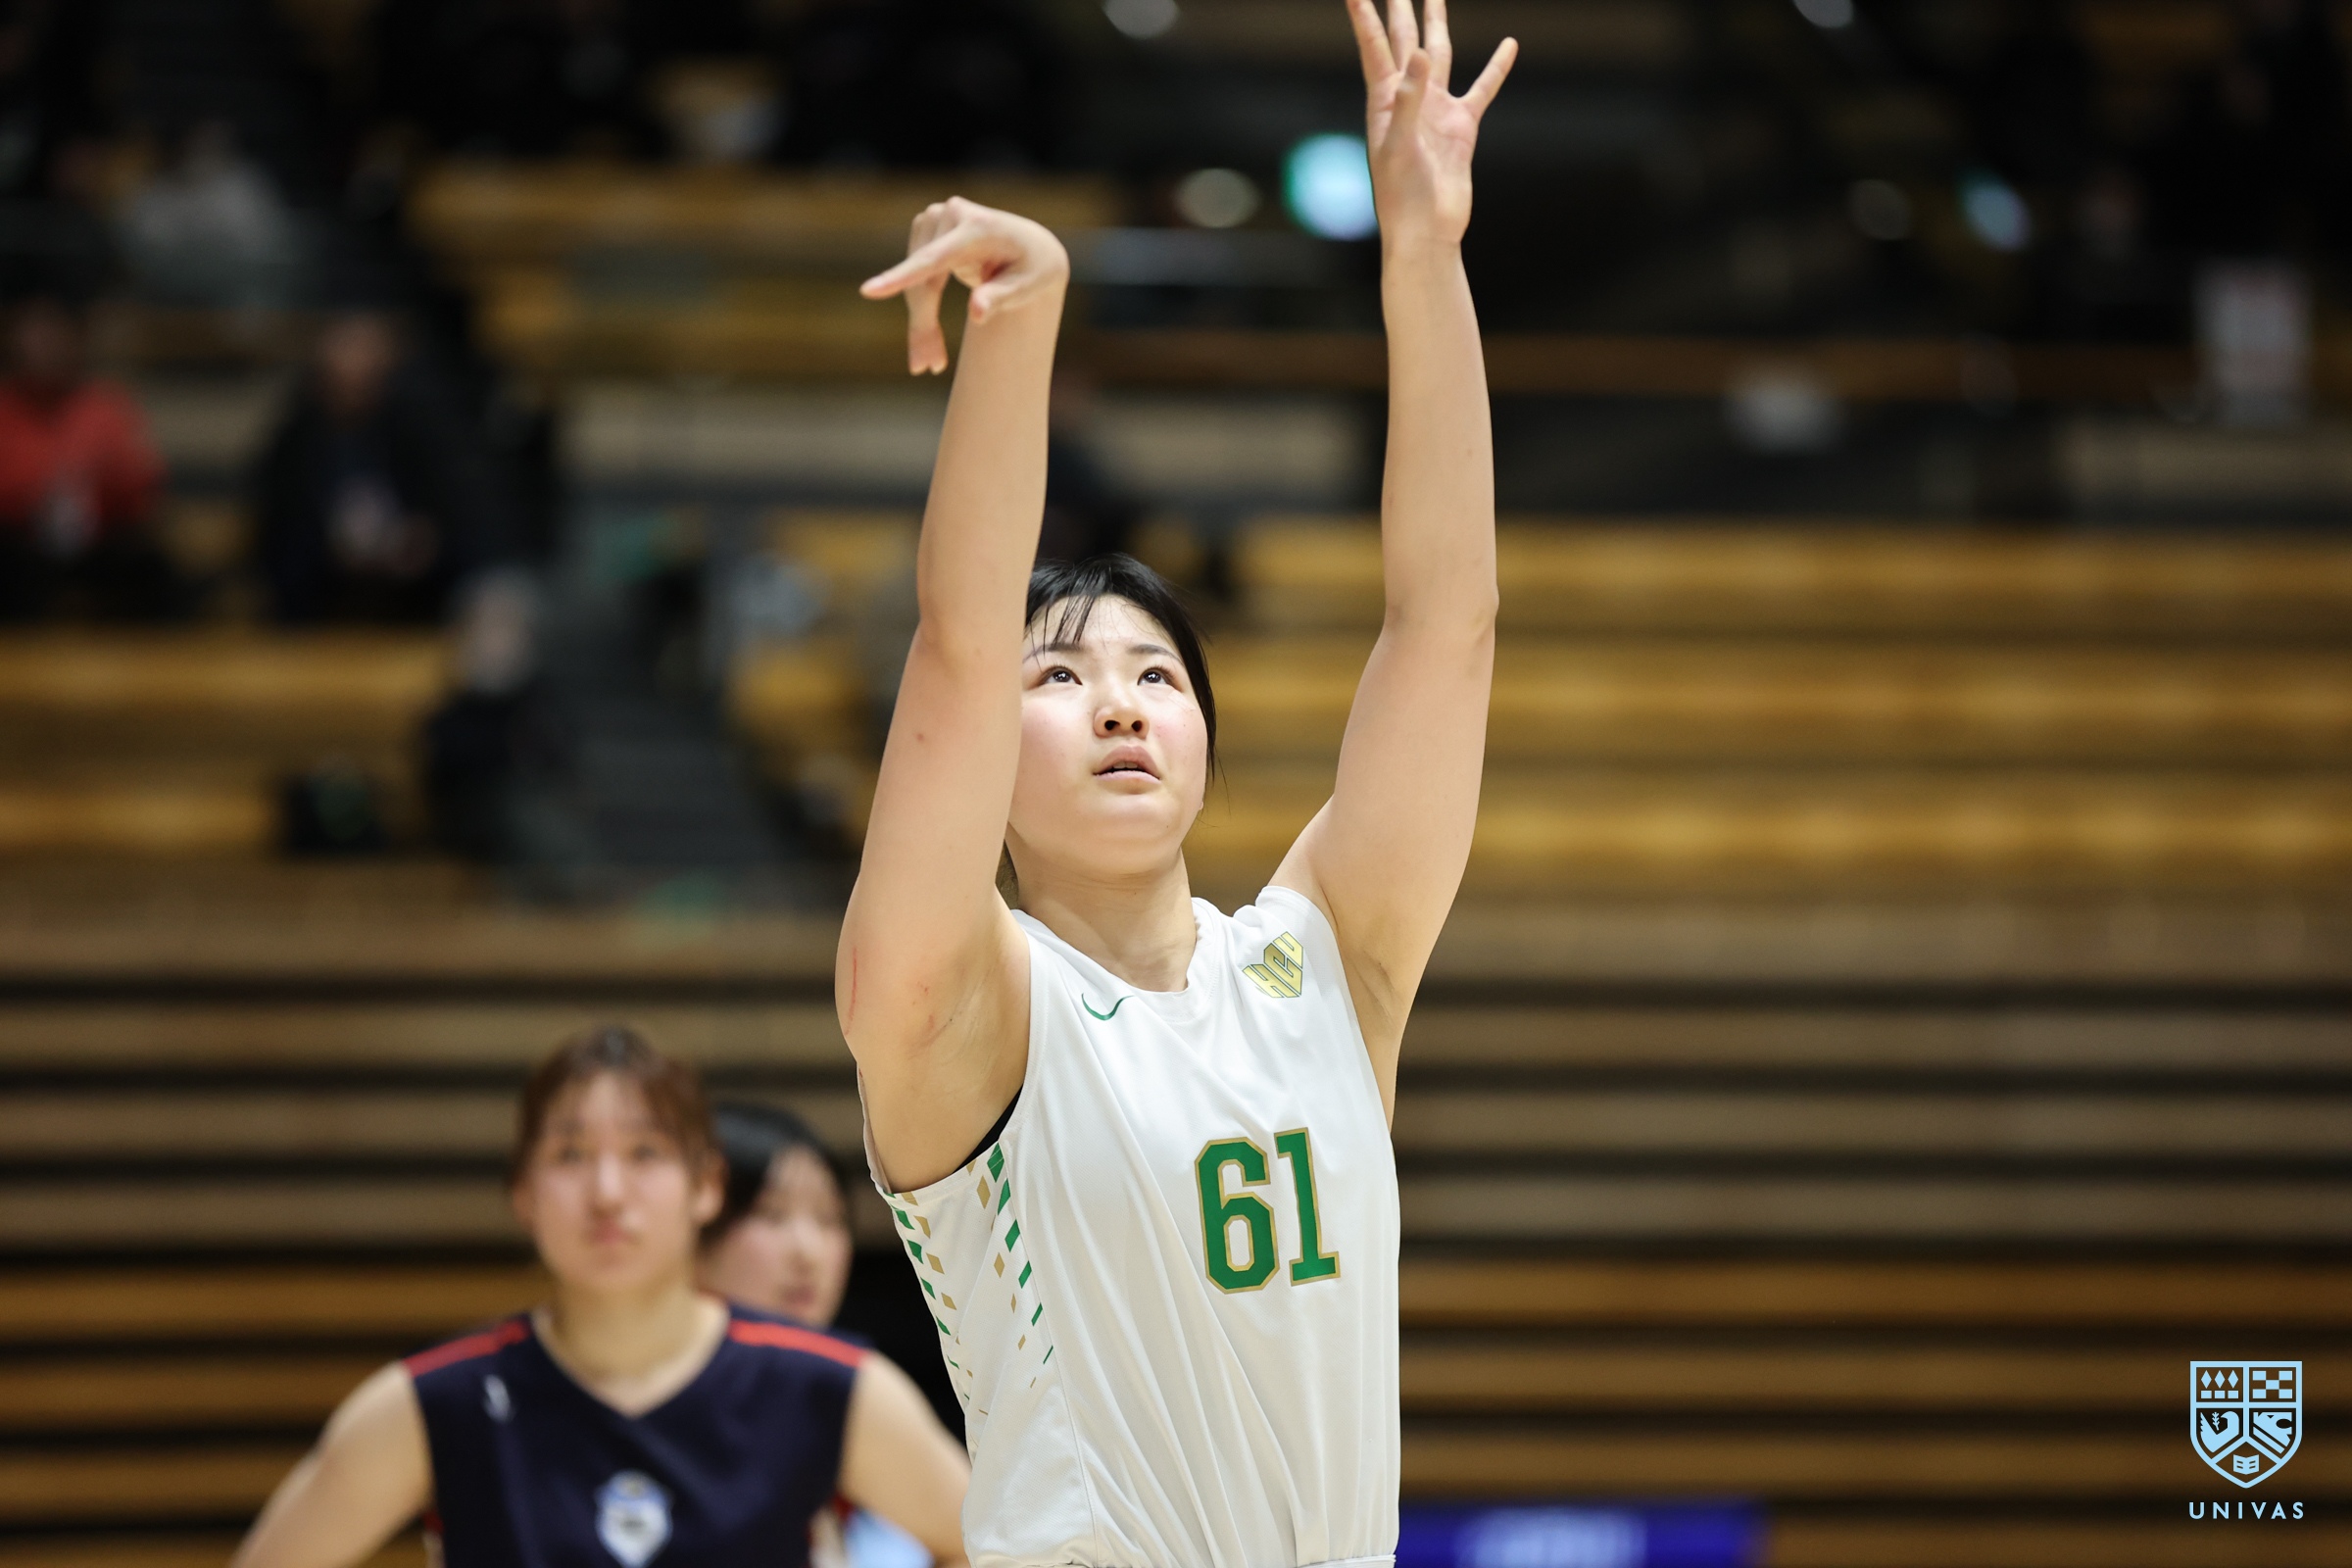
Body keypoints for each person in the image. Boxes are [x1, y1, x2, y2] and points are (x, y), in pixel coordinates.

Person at [840, 1, 1510, 1564]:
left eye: (1155, 675)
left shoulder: (1327, 959)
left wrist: (1423, 256)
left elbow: (1446, 626)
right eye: (1060, 678)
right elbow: (955, 648)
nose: (1119, 704)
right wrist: (1022, 327)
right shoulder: (962, 1000)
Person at [232, 1026, 969, 1568]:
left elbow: (990, 1546)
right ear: (523, 1193)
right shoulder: (434, 1405)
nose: (608, 1193)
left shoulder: (829, 1387)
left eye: (645, 1153)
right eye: (570, 1155)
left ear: (706, 1185)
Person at [700, 1102, 960, 1568]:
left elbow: (983, 1542)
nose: (808, 1251)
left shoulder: (849, 1388)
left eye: (829, 1219)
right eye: (770, 1215)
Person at [252, 312, 504, 625]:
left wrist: (425, 546)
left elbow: (466, 529)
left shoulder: (422, 435)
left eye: (367, 361)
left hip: (415, 604)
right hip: (321, 606)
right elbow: (277, 543)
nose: (354, 374)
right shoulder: (296, 443)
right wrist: (328, 553)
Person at [0, 290, 178, 620]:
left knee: (147, 566)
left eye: (55, 334)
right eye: (35, 335)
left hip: (97, 545)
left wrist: (98, 483)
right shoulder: (5, 409)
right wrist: (36, 491)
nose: (45, 347)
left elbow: (142, 486)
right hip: (19, 546)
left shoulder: (106, 406)